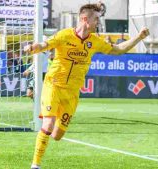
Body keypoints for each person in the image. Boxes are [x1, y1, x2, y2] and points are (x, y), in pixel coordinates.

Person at [24, 3, 149, 169]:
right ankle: (35, 165)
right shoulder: (64, 35)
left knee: (57, 135)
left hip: (72, 93)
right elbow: (45, 45)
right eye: (96, 19)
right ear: (85, 19)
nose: (98, 22)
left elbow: (118, 49)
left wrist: (139, 37)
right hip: (53, 85)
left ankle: (45, 140)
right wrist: (32, 48)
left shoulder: (95, 41)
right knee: (47, 125)